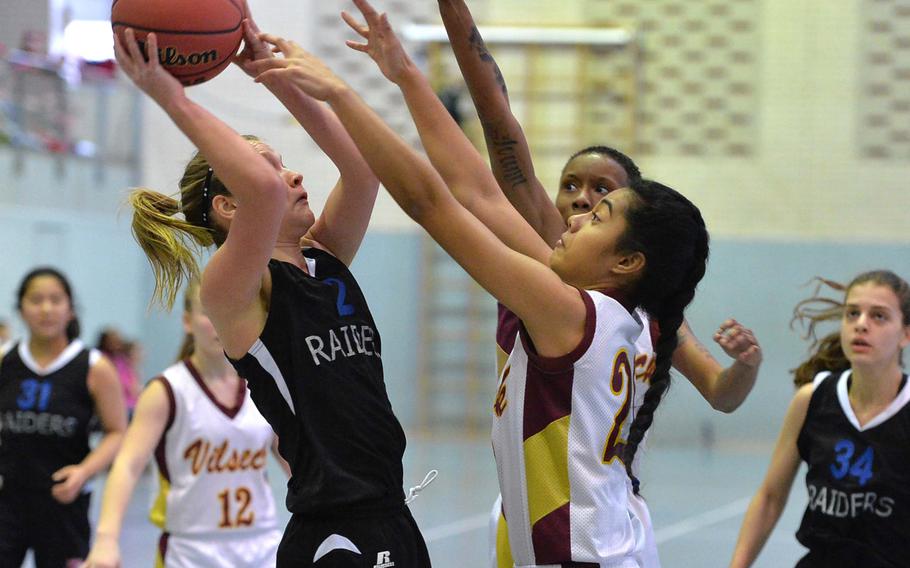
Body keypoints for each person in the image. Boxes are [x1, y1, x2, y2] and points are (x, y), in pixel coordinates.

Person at [247, 1, 710, 563]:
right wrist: (405, 74)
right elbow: (478, 190)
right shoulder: (615, 315)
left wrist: (342, 94)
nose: (579, 215)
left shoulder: (569, 313)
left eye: (601, 215)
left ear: (626, 264)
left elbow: (432, 202)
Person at [113, 7, 430, 565]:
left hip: (391, 513)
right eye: (273, 166)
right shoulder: (237, 288)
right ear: (227, 206)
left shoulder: (325, 260)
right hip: (334, 527)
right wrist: (171, 96)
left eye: (286, 164)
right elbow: (263, 188)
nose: (293, 176)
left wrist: (274, 77)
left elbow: (362, 168)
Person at [83, 280, 287, 568]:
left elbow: (297, 462)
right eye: (209, 313)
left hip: (262, 548)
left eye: (232, 311)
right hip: (192, 552)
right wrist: (105, 539)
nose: (220, 322)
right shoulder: (167, 390)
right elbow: (127, 466)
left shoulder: (266, 385)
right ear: (187, 322)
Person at [730, 270, 910, 567]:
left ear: (905, 333)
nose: (861, 324)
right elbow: (770, 497)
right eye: (852, 313)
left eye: (878, 316)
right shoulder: (812, 400)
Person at [0, 267, 127, 567]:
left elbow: (118, 432)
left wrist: (84, 471)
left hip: (65, 503)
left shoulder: (94, 366)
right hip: (9, 498)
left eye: (56, 300)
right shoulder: (6, 359)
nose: (46, 308)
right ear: (21, 308)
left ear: (70, 309)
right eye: (36, 300)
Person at [96, 328, 141, 419]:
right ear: (105, 341)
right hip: (117, 404)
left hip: (129, 404)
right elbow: (124, 384)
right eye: (113, 340)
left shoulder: (120, 360)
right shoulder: (101, 359)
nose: (117, 344)